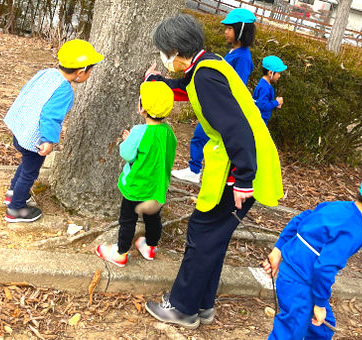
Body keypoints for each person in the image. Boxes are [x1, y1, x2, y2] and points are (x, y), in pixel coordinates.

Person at [144, 14, 283, 329]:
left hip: (239, 171)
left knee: (202, 236)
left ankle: (181, 308)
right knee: (213, 239)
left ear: (177, 50)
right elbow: (186, 86)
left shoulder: (205, 76)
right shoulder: (206, 66)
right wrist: (159, 82)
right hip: (239, 166)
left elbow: (238, 129)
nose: (165, 59)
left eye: (165, 52)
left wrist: (244, 180)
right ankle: (202, 305)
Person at [263, 169, 362, 339]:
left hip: (294, 274)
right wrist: (318, 304)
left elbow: (300, 220)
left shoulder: (335, 206)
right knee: (289, 332)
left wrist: (277, 251)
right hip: (301, 284)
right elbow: (324, 268)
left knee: (323, 328)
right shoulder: (353, 233)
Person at [3, 39, 103, 222]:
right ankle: (15, 209)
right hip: (35, 139)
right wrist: (48, 140)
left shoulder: (47, 74)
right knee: (30, 172)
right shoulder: (65, 90)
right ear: (81, 73)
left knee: (26, 165)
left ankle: (13, 193)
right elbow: (51, 116)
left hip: (21, 128)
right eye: (91, 70)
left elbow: (27, 91)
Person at [95, 81, 177, 267]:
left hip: (136, 187)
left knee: (128, 220)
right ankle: (150, 247)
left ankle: (121, 252)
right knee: (153, 218)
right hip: (156, 187)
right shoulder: (168, 132)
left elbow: (127, 153)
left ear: (143, 109)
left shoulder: (139, 131)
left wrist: (128, 139)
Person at [171, 8, 256, 184]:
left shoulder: (243, 58)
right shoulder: (235, 53)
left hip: (222, 108)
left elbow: (235, 85)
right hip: (218, 106)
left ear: (241, 31)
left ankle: (197, 171)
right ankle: (198, 170)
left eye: (230, 29)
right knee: (201, 135)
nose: (225, 32)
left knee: (203, 135)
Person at [252, 55, 286, 125]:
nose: (279, 76)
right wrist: (276, 102)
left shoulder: (265, 84)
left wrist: (275, 103)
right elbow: (263, 105)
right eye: (278, 73)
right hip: (259, 122)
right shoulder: (264, 88)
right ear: (270, 73)